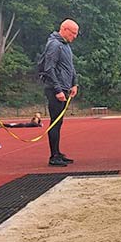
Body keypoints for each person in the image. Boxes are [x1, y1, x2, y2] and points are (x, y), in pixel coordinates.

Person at [40, 19, 79, 166]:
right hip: (55, 89)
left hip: (65, 87)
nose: (74, 36)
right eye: (73, 33)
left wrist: (74, 83)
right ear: (64, 29)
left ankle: (57, 153)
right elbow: (49, 68)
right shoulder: (54, 45)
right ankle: (53, 156)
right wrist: (57, 89)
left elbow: (70, 66)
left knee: (59, 122)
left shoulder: (66, 46)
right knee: (55, 122)